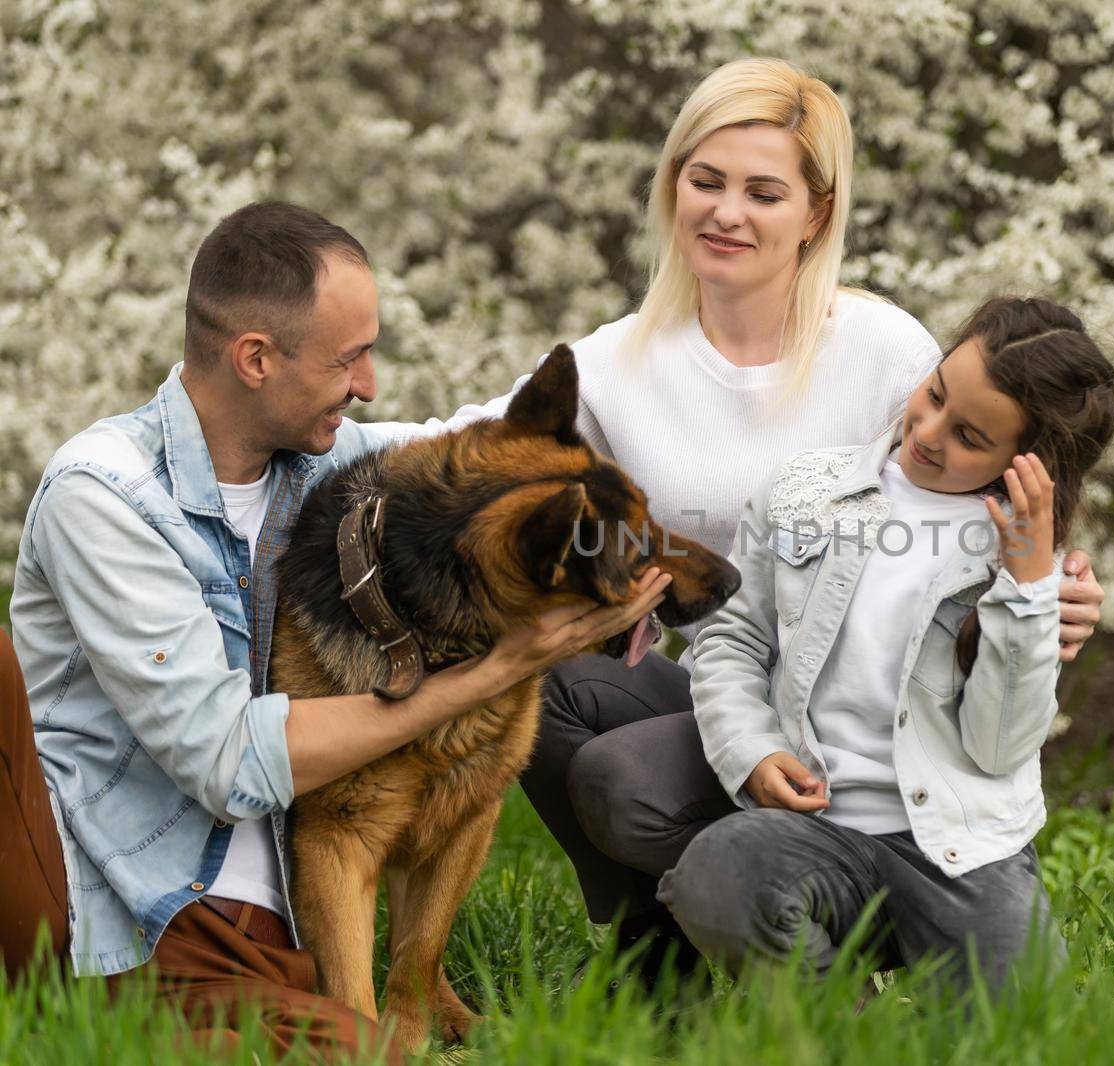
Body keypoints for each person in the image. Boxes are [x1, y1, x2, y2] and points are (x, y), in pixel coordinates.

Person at [0, 201, 668, 1059]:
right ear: (255, 358)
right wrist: (496, 667)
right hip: (119, 903)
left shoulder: (340, 461)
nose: (370, 384)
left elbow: (497, 449)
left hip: (277, 918)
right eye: (349, 358)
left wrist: (718, 276)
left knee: (363, 1050)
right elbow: (228, 764)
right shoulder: (106, 495)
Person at [497, 57, 1111, 988]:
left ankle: (768, 928)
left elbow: (999, 716)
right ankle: (678, 942)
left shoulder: (885, 351)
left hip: (907, 783)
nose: (725, 212)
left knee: (1015, 1004)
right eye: (705, 182)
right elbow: (482, 444)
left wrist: (1040, 589)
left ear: (815, 214)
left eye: (762, 191)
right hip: (742, 706)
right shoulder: (622, 363)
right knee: (544, 691)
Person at [656, 296, 1114, 991]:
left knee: (1025, 1019)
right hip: (815, 832)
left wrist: (1026, 588)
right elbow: (735, 636)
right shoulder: (806, 491)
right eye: (933, 394)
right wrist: (753, 750)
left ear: (1026, 463)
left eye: (969, 437)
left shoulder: (1028, 572)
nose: (929, 433)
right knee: (717, 872)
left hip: (959, 853)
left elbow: (998, 748)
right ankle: (838, 1028)